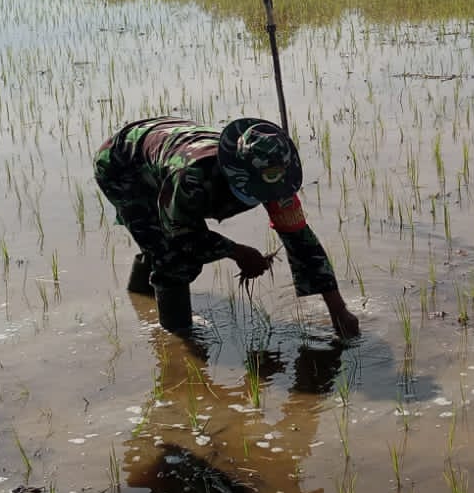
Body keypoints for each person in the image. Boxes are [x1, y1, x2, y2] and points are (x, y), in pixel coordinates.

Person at [94, 116, 360, 336]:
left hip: (164, 149)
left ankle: (142, 301)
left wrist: (338, 311)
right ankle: (176, 340)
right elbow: (182, 236)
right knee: (172, 258)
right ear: (237, 174)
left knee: (159, 242)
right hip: (123, 165)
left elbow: (302, 242)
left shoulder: (276, 176)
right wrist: (238, 252)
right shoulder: (193, 176)